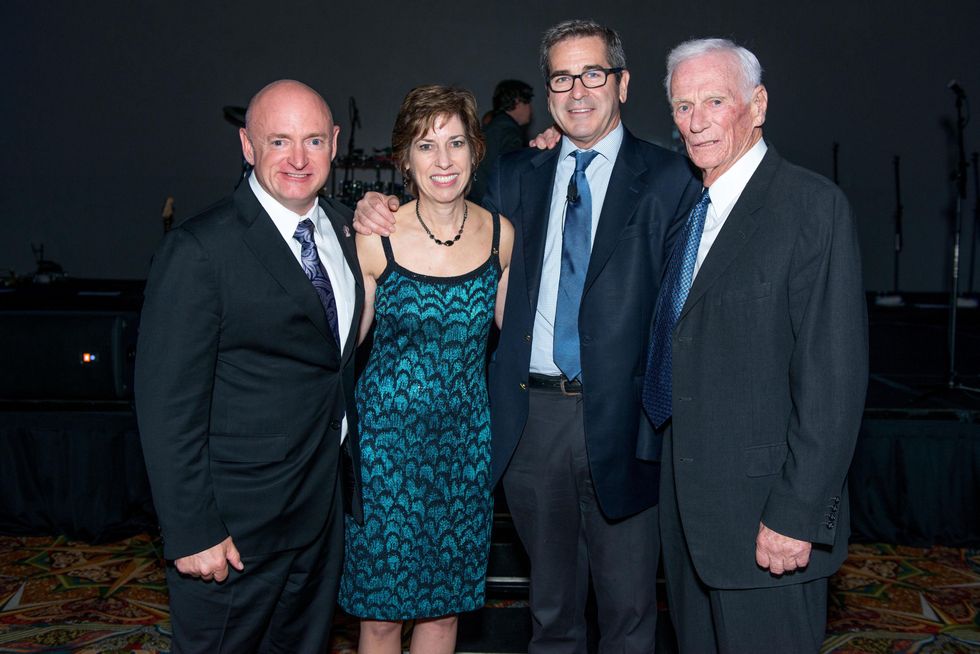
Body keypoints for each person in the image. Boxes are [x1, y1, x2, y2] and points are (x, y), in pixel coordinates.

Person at [354, 19, 701, 653]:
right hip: (531, 422)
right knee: (550, 612)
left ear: (621, 83)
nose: (578, 90)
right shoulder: (518, 175)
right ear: (546, 91)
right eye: (563, 77)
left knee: (629, 614)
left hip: (623, 424)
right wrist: (370, 208)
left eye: (593, 73)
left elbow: (683, 315)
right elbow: (440, 209)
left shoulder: (670, 180)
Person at [640, 38, 868, 652]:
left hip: (768, 521)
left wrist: (796, 516)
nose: (695, 121)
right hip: (689, 519)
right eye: (683, 106)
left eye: (714, 101)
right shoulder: (693, 208)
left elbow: (834, 382)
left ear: (757, 105)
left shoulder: (811, 208)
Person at [135, 79, 362, 652]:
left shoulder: (345, 228)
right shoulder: (200, 249)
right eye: (279, 141)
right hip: (234, 529)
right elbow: (166, 405)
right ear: (247, 145)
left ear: (335, 143)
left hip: (318, 514)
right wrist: (193, 530)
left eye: (313, 140)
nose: (298, 159)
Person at [338, 85, 513, 654]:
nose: (443, 161)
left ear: (475, 150)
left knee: (445, 612)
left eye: (456, 143)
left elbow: (518, 343)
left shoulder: (500, 237)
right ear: (404, 159)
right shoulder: (375, 238)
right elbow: (336, 351)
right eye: (426, 145)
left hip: (463, 452)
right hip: (384, 454)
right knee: (382, 617)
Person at [469, 79, 534, 202]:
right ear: (517, 102)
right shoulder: (508, 131)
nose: (530, 109)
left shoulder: (494, 127)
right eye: (528, 103)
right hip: (493, 205)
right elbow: (511, 177)